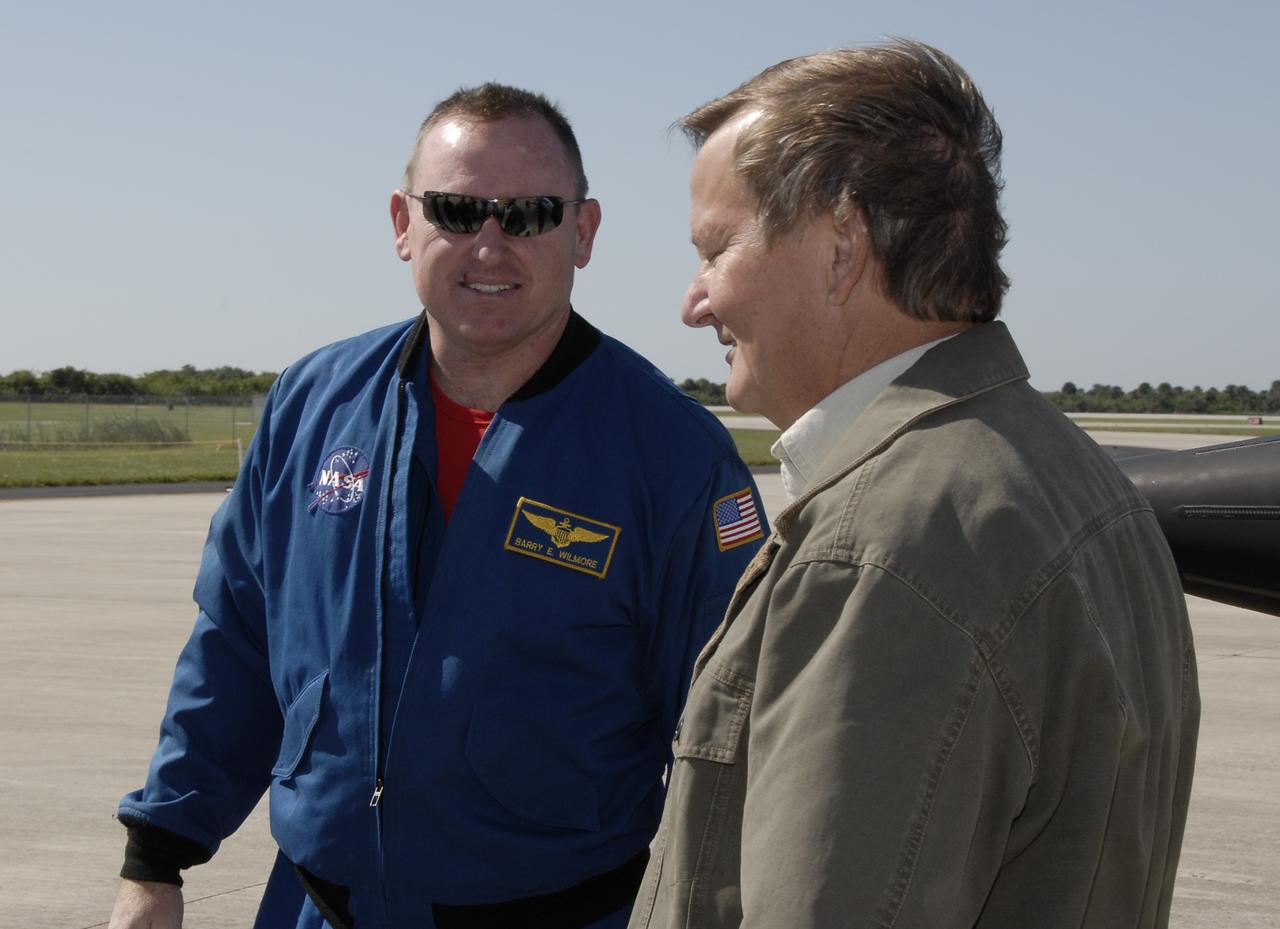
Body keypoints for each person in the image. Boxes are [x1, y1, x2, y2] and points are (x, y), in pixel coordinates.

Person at [109, 84, 766, 929]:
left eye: (528, 213)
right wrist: (156, 857)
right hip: (315, 909)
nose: (489, 244)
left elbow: (732, 740)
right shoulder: (312, 408)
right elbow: (233, 643)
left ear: (584, 231)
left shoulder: (673, 456)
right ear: (401, 223)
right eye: (457, 209)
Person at [630, 40, 1200, 929]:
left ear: (840, 245)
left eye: (715, 248)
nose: (694, 301)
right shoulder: (1071, 476)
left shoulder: (887, 545)